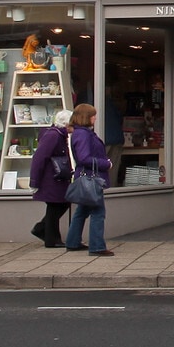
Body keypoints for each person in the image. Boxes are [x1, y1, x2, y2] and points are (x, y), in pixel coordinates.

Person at [65, 103, 114, 257]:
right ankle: (97, 246)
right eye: (93, 115)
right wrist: (106, 164)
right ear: (87, 117)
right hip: (91, 177)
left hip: (86, 176)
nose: (95, 117)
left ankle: (72, 242)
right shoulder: (83, 134)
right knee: (98, 212)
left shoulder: (80, 133)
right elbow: (84, 158)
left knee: (83, 210)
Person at [28, 106, 74, 248]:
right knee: (55, 206)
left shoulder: (58, 135)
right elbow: (39, 157)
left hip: (55, 177)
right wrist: (34, 181)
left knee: (60, 204)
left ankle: (45, 231)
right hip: (51, 178)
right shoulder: (53, 136)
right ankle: (51, 238)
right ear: (66, 124)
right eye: (73, 124)